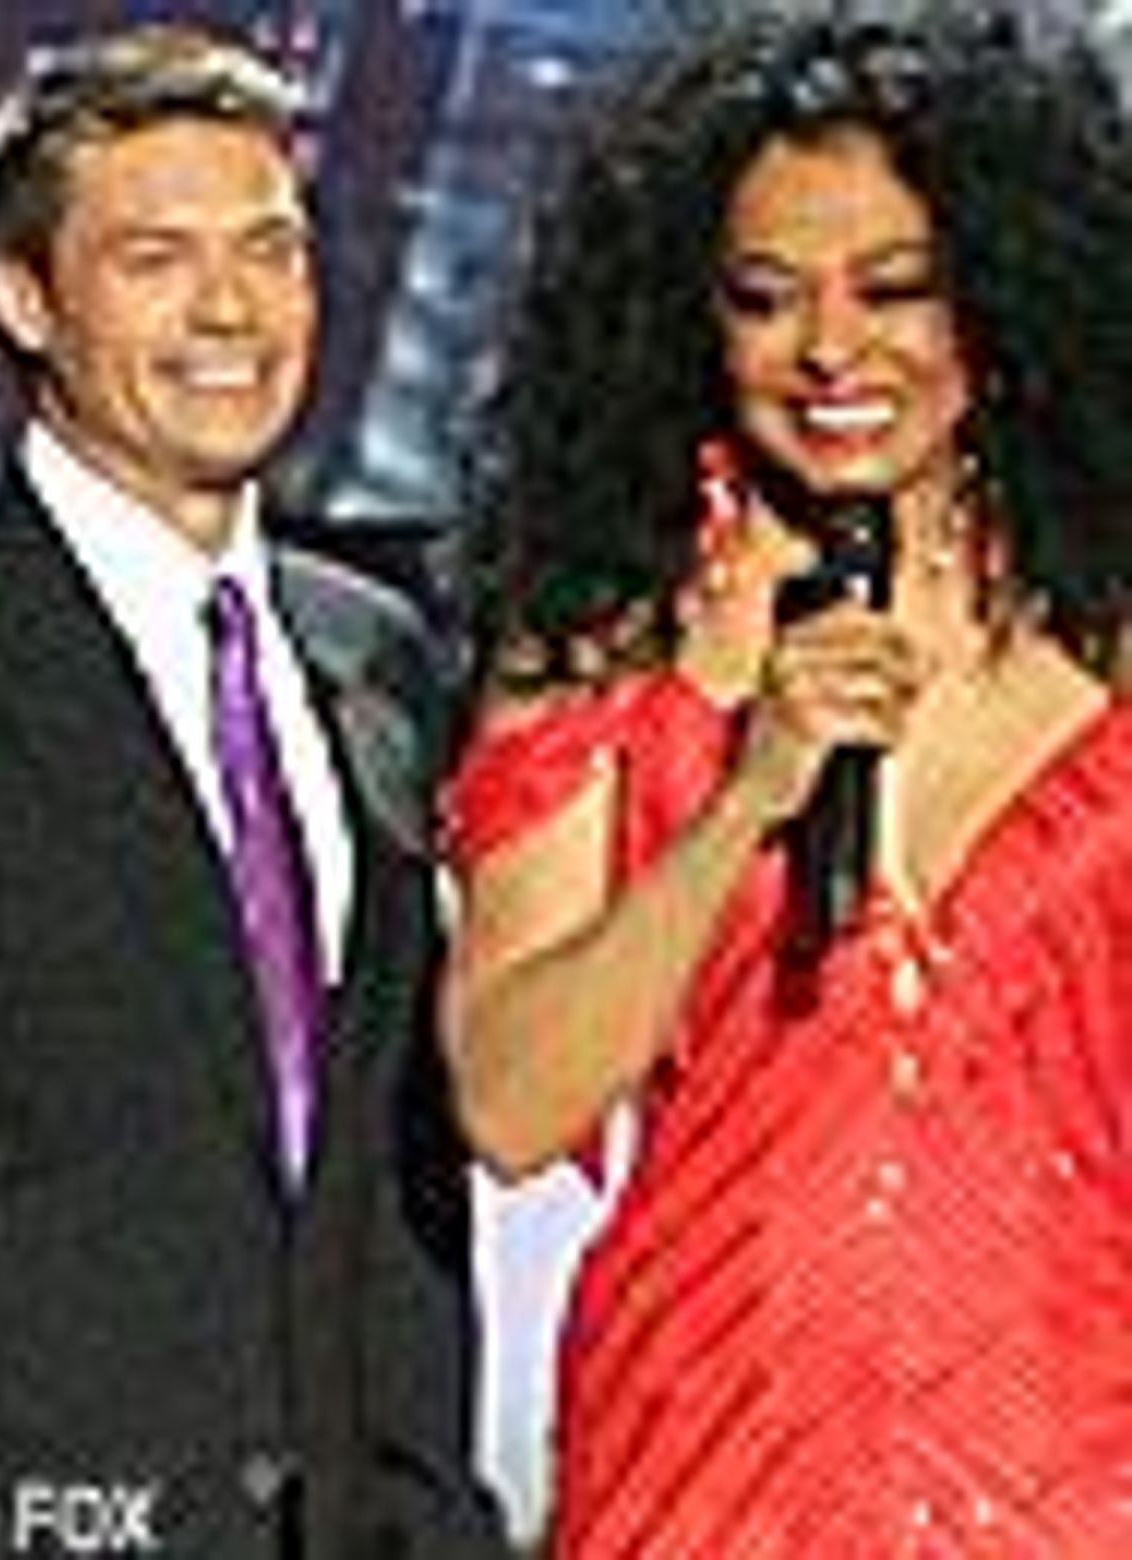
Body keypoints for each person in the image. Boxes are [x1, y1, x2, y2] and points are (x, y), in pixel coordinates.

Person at [441, 5, 1132, 1556]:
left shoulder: (1107, 618)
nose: (831, 351)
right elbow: (510, 1101)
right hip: (716, 1439)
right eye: (767, 299)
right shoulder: (608, 634)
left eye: (895, 290)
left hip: (1081, 1446)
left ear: (1007, 296)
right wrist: (744, 801)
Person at [0, 24, 509, 1560]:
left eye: (271, 249)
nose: (232, 311)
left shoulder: (373, 657)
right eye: (156, 259)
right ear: (23, 300)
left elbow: (389, 1173)